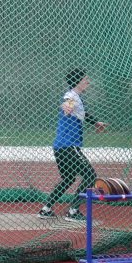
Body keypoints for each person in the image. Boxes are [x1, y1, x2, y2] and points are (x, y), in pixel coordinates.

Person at [39, 68, 107, 221]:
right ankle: (73, 211)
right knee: (90, 175)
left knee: (68, 178)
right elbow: (67, 103)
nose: (88, 82)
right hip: (69, 147)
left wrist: (96, 122)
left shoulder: (77, 99)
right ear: (78, 81)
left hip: (60, 147)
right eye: (85, 80)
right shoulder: (71, 96)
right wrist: (66, 107)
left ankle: (46, 209)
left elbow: (82, 113)